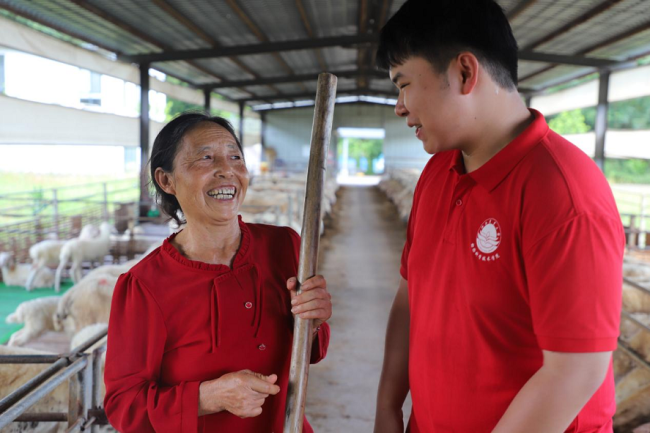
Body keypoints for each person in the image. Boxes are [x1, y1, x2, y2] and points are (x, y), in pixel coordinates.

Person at [373, 1, 624, 432]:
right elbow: (410, 296)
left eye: (404, 84)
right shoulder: (437, 173)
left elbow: (575, 371)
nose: (400, 106)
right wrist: (387, 408)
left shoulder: (562, 193)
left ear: (465, 73)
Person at [103, 113, 332, 432]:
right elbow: (123, 405)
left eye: (236, 156)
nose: (227, 169)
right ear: (166, 180)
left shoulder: (284, 246)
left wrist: (314, 321)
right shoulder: (145, 284)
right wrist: (207, 397)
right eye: (206, 157)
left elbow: (309, 353)